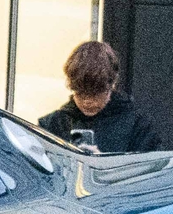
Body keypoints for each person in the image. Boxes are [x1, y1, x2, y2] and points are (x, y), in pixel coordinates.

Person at [37, 40, 165, 154]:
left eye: (95, 93)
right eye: (80, 93)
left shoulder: (138, 126)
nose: (88, 101)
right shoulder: (51, 125)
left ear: (112, 85)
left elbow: (149, 175)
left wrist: (102, 164)